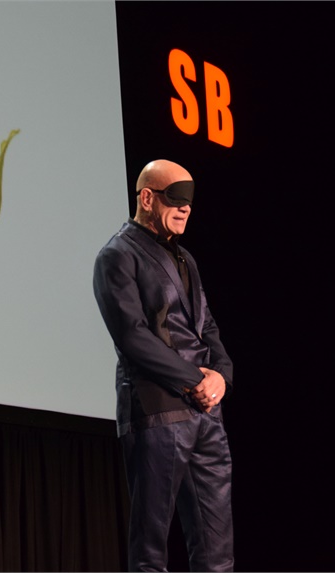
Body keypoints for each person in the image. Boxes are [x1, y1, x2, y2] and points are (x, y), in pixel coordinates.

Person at [93, 159, 234, 572]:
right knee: (151, 548)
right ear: (148, 198)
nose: (185, 209)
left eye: (189, 203)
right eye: (176, 200)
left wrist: (221, 377)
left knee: (217, 550)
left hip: (207, 413)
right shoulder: (117, 256)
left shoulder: (186, 259)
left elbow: (207, 326)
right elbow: (132, 337)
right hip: (157, 410)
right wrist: (195, 380)